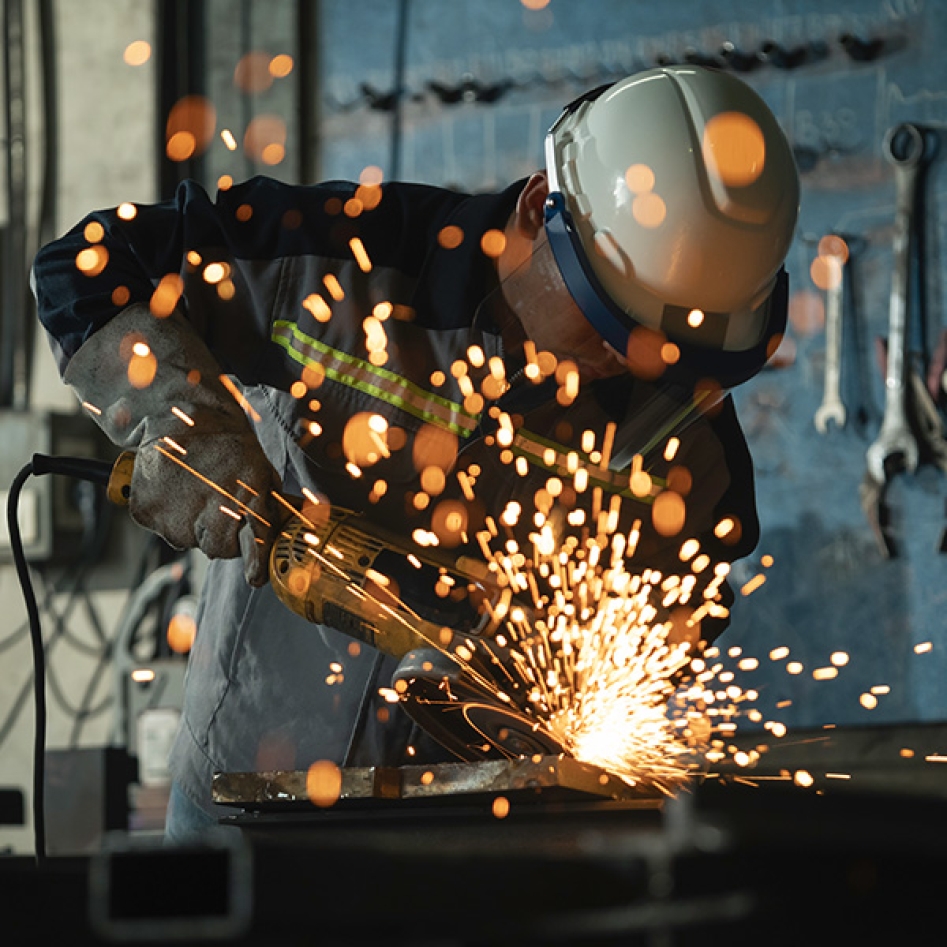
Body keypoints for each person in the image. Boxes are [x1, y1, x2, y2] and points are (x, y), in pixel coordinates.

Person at [31, 64, 799, 840]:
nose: (628, 363)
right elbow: (86, 269)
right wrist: (179, 412)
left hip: (468, 836)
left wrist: (546, 681)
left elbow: (676, 613)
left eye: (665, 353)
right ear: (541, 209)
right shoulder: (346, 256)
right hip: (240, 794)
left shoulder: (685, 442)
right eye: (608, 322)